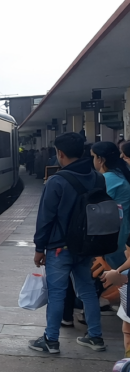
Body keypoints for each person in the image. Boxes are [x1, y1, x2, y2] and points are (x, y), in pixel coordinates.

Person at [30, 132, 106, 353]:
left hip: (59, 248)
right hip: (86, 246)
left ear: (60, 153)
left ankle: (51, 340)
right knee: (88, 291)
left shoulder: (56, 181)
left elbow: (45, 218)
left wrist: (39, 248)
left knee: (57, 293)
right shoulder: (98, 178)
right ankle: (95, 337)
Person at [91, 142, 130, 272]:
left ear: (101, 159)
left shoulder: (108, 178)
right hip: (122, 229)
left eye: (93, 157)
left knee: (115, 269)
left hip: (113, 232)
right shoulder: (121, 174)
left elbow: (95, 205)